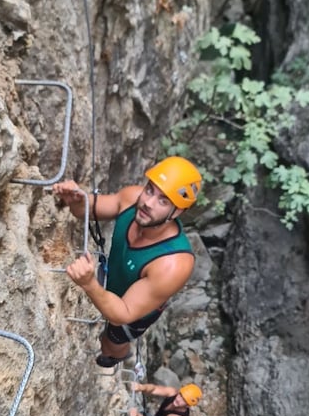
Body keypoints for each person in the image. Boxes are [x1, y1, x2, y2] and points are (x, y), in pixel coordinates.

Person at [51, 156, 202, 367]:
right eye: (150, 190)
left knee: (110, 342)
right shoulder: (131, 199)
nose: (148, 203)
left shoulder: (173, 264)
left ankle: (119, 355)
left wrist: (89, 284)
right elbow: (85, 211)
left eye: (163, 201)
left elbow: (122, 314)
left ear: (178, 211)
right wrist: (76, 198)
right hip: (116, 277)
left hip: (136, 308)